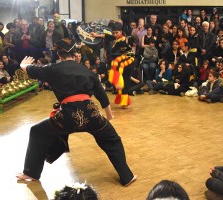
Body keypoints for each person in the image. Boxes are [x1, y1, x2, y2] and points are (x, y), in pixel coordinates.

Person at [16, 39, 137, 186]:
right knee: (112, 140)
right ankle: (127, 176)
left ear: (60, 56)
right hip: (91, 114)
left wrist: (23, 64)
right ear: (75, 55)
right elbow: (102, 96)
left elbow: (30, 69)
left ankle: (30, 172)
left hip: (67, 117)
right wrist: (109, 116)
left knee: (37, 131)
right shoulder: (88, 71)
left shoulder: (52, 68)